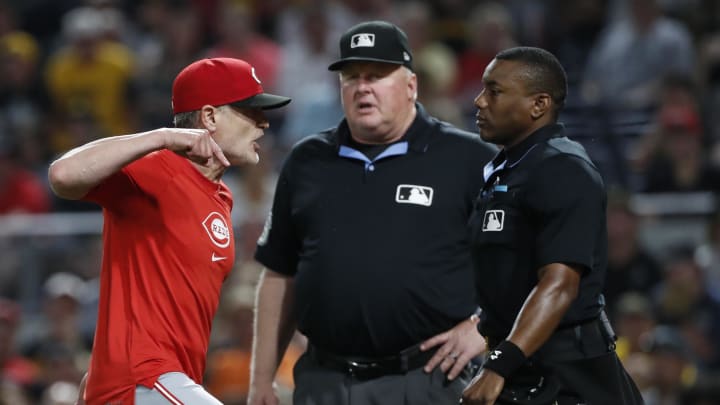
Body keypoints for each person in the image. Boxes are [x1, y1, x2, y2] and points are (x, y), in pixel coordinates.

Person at [249, 21, 495, 405]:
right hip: (324, 382)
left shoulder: (469, 159)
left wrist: (486, 327)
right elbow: (280, 272)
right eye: (352, 77)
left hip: (428, 380)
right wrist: (261, 381)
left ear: (411, 85)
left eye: (377, 75)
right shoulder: (308, 160)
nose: (363, 87)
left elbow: (528, 255)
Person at [47, 57, 290, 405]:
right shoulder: (158, 167)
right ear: (209, 117)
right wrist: (162, 136)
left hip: (168, 382)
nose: (264, 124)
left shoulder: (221, 195)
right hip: (141, 376)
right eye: (251, 112)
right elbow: (62, 175)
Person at [462, 47, 644, 404]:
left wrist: (498, 365)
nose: (479, 101)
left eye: (494, 91)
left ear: (539, 105)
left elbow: (560, 285)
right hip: (521, 364)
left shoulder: (562, 168)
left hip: (569, 375)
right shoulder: (507, 169)